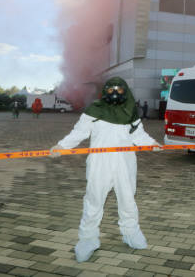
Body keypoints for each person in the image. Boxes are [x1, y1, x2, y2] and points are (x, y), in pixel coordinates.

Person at [50, 77, 161, 262]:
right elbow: (79, 132)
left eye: (119, 89)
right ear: (105, 91)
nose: (115, 93)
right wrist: (61, 146)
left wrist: (152, 143)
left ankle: (130, 233)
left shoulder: (130, 111)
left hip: (125, 163)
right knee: (94, 201)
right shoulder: (94, 110)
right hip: (99, 163)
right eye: (111, 89)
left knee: (127, 200)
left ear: (125, 90)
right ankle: (88, 239)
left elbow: (138, 134)